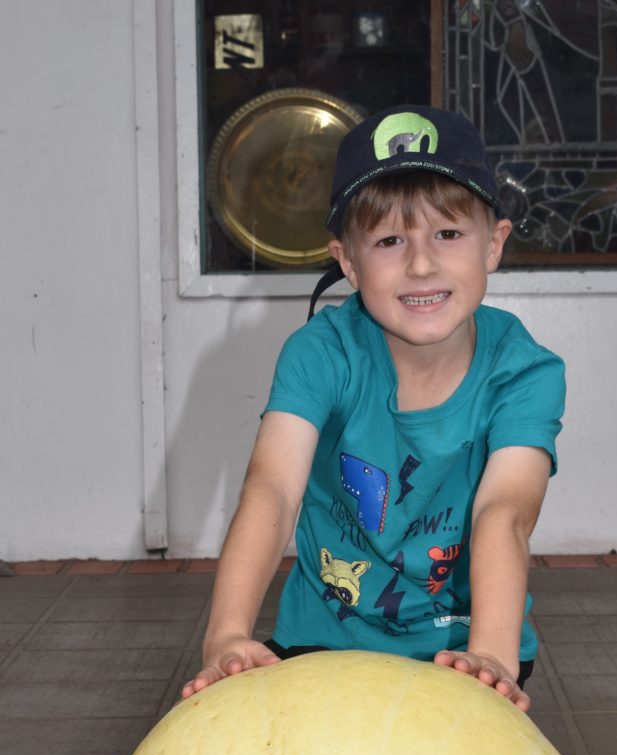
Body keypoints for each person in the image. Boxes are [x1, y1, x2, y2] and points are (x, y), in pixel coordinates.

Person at [182, 105, 565, 711]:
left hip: (467, 645)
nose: (420, 263)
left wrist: (490, 657)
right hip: (323, 642)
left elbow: (504, 512)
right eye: (389, 240)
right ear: (348, 261)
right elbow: (273, 491)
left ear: (493, 243)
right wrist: (225, 634)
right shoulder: (321, 354)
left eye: (448, 233)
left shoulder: (525, 373)